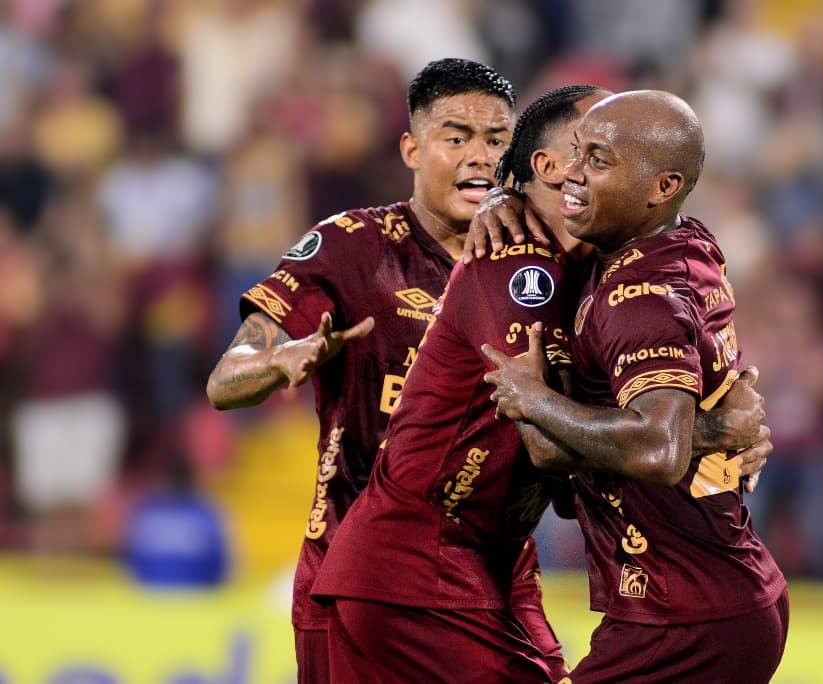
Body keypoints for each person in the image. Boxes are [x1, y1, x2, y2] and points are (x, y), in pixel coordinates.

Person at [310, 85, 774, 681]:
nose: (584, 166)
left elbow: (597, 452)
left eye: (601, 156)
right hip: (421, 569)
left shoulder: (615, 261)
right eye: (583, 149)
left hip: (489, 566)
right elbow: (548, 445)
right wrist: (710, 430)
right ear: (550, 166)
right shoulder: (520, 263)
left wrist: (704, 419)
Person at [205, 58, 570, 682]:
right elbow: (224, 380)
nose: (479, 158)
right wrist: (279, 357)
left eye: (496, 141)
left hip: (494, 574)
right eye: (456, 138)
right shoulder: (352, 247)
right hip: (357, 576)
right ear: (412, 149)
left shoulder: (541, 261)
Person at [483, 90, 788, 682]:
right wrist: (503, 194)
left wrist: (535, 400)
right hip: (714, 595)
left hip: (684, 613)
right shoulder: (684, 241)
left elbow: (655, 449)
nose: (572, 173)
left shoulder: (641, 298)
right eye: (577, 151)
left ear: (662, 187)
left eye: (598, 160)